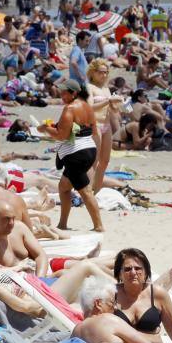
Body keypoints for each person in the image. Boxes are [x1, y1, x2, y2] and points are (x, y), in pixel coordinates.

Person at [80, 248, 172, 343]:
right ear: (120, 273)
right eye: (127, 269)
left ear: (146, 272)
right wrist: (153, 338)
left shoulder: (158, 294)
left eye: (138, 268)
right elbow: (97, 323)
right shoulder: (111, 294)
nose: (133, 272)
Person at [37, 79, 103, 232]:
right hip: (88, 149)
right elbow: (88, 130)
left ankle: (99, 226)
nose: (61, 95)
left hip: (76, 153)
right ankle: (62, 224)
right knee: (64, 187)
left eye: (64, 92)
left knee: (85, 191)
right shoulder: (87, 106)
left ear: (74, 93)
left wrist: (46, 128)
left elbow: (61, 136)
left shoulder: (70, 108)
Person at [0, 202, 48, 277]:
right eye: (6, 219)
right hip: (13, 283)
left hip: (37, 278)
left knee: (65, 273)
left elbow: (41, 255)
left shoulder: (19, 228)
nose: (11, 223)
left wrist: (40, 279)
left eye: (13, 218)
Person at [86, 58, 117, 193]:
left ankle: (96, 191)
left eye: (106, 72)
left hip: (107, 125)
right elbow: (90, 107)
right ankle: (88, 191)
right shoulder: (89, 87)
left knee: (105, 161)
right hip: (95, 124)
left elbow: (111, 108)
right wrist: (108, 101)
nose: (103, 75)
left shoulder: (106, 89)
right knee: (94, 161)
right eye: (100, 72)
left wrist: (117, 105)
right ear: (93, 72)